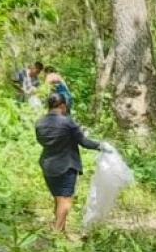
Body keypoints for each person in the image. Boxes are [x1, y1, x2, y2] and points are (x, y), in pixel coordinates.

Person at [35, 93, 104, 233]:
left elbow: (42, 141)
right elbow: (84, 142)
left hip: (48, 164)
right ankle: (56, 233)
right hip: (66, 165)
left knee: (58, 199)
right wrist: (102, 146)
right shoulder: (67, 122)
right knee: (65, 200)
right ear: (62, 106)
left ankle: (61, 231)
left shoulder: (40, 123)